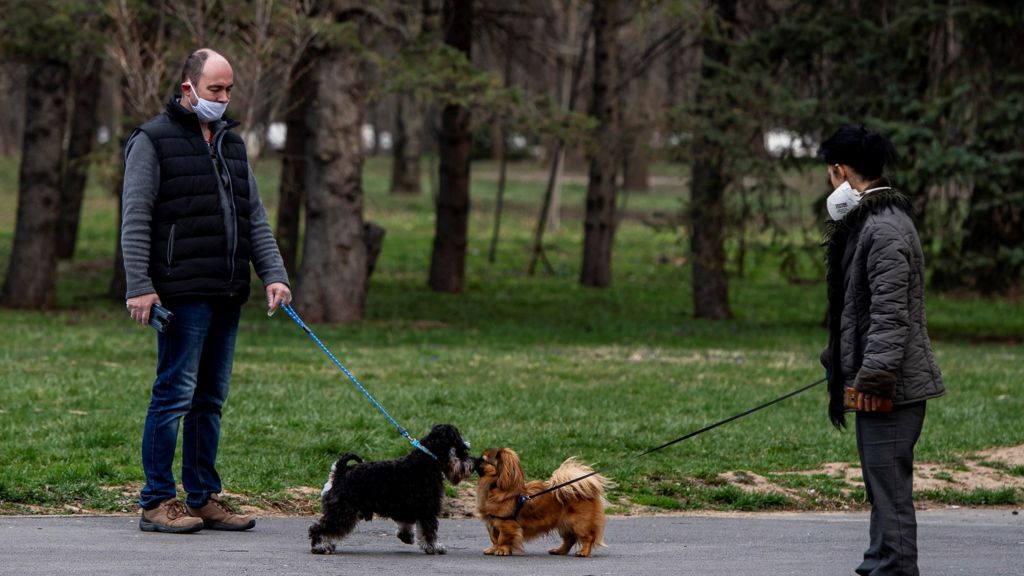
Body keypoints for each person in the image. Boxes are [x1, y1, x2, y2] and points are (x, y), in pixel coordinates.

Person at [122, 48, 292, 534]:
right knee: (174, 394)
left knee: (210, 400)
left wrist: (273, 274)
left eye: (228, 90)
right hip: (180, 292)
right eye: (215, 90)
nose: (223, 98)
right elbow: (136, 218)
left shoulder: (230, 143)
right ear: (188, 88)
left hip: (226, 289)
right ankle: (157, 501)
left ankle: (202, 497)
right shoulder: (151, 140)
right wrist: (140, 286)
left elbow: (253, 217)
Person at [818, 124, 945, 576]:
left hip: (891, 387)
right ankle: (878, 562)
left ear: (840, 171)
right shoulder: (875, 221)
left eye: (829, 174)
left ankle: (892, 568)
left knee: (889, 489)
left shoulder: (886, 229)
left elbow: (892, 318)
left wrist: (871, 377)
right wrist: (840, 361)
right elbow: (863, 310)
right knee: (880, 485)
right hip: (878, 380)